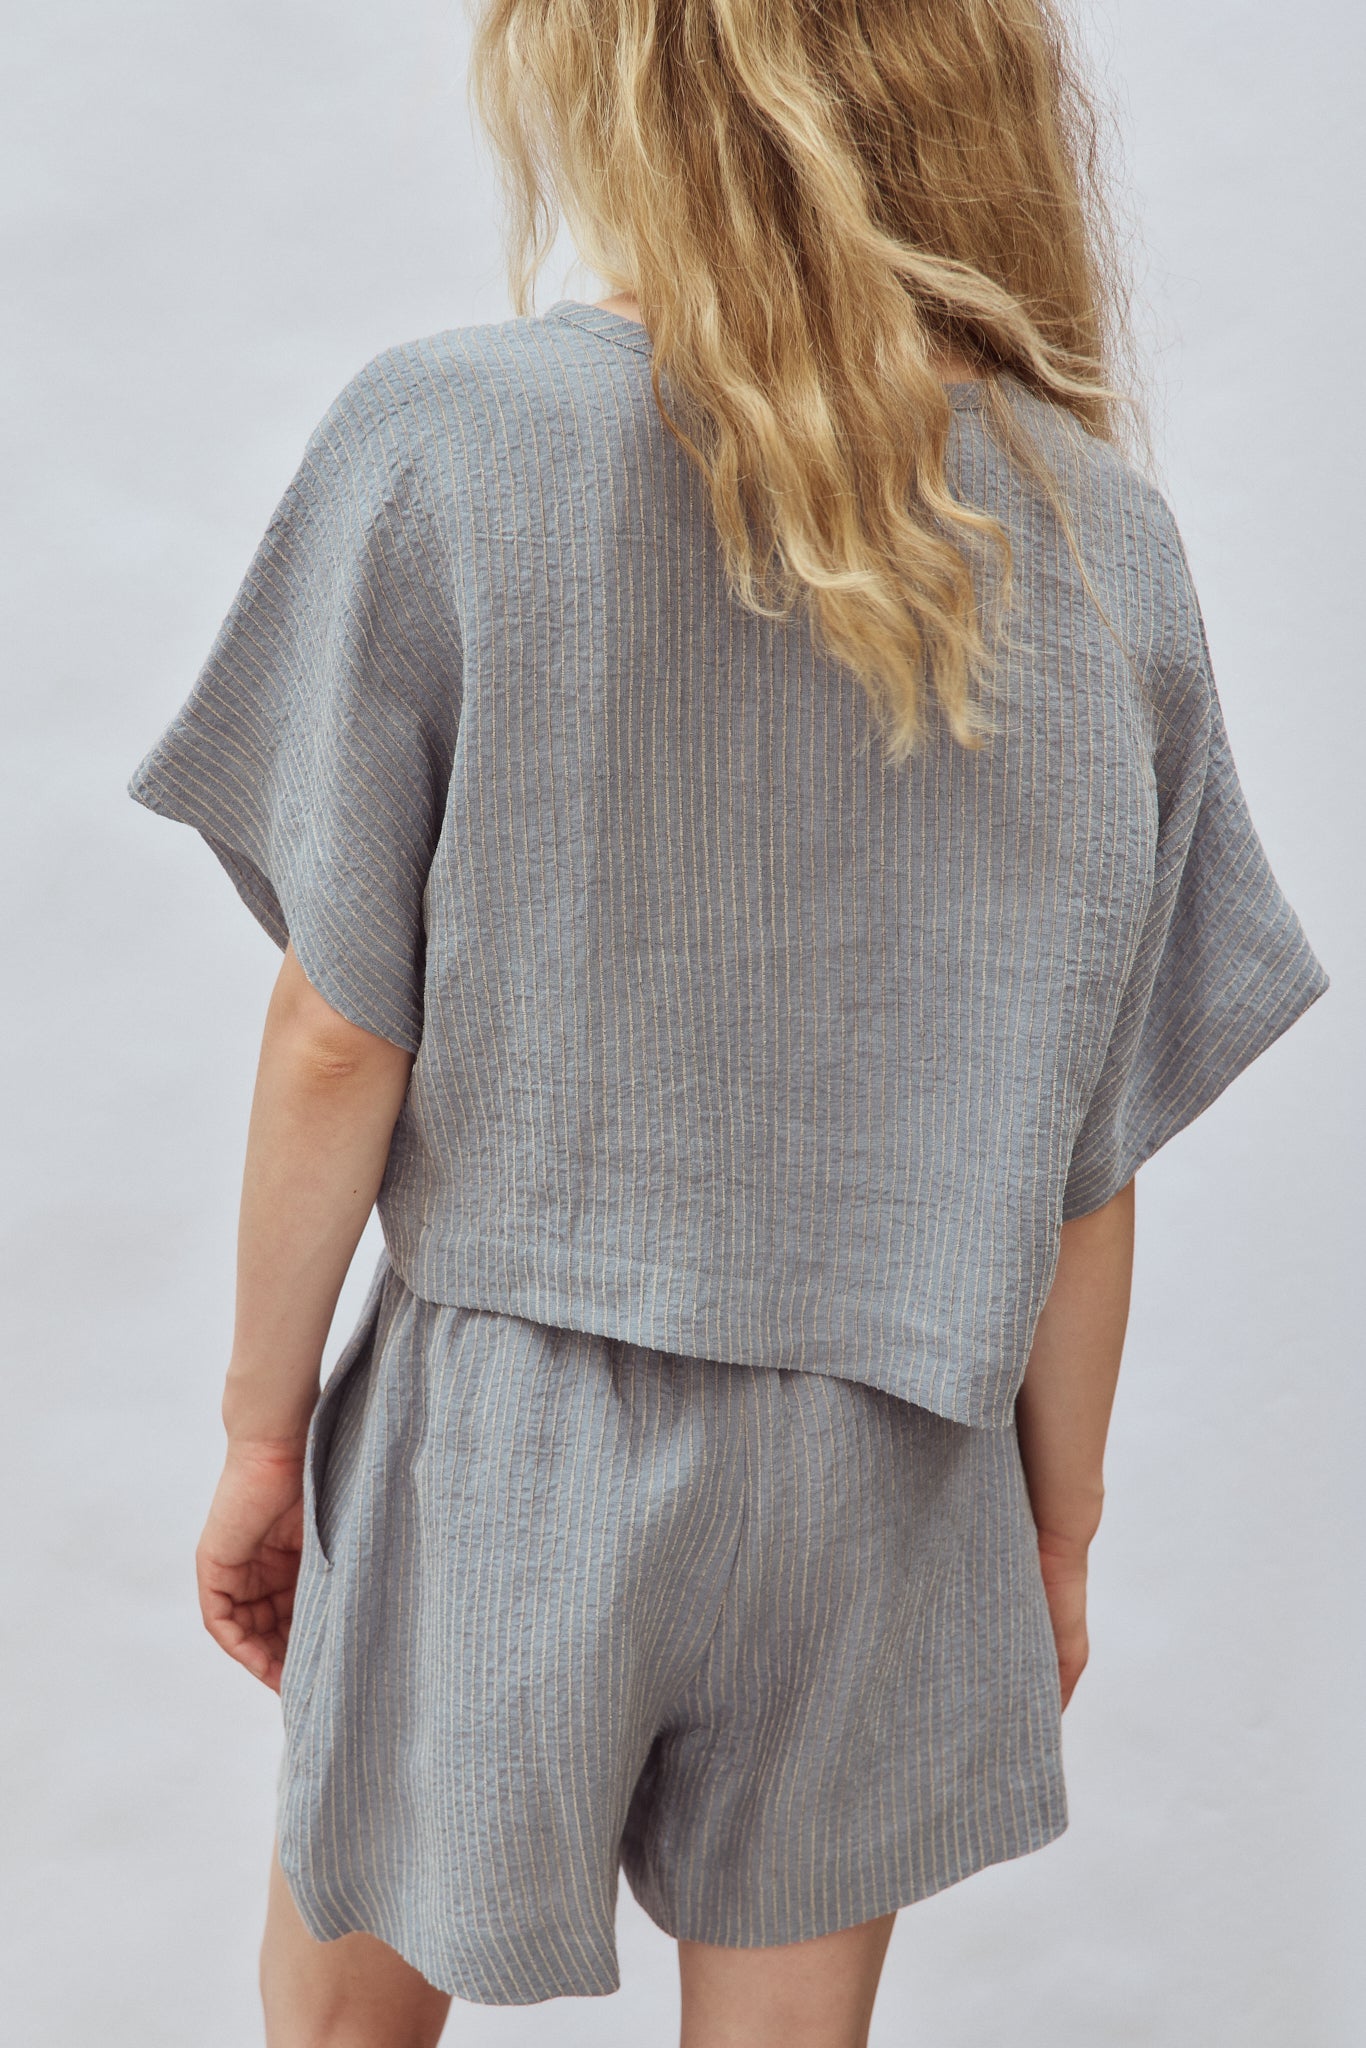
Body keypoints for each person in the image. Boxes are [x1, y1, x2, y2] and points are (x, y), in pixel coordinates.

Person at [127, 1, 1330, 2042]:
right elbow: (1083, 1154)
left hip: (510, 1415)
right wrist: (1054, 1532)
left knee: (339, 2031)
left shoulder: (453, 438)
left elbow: (337, 1030)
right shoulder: (1093, 538)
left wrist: (259, 1437)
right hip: (892, 1457)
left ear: (633, 84)